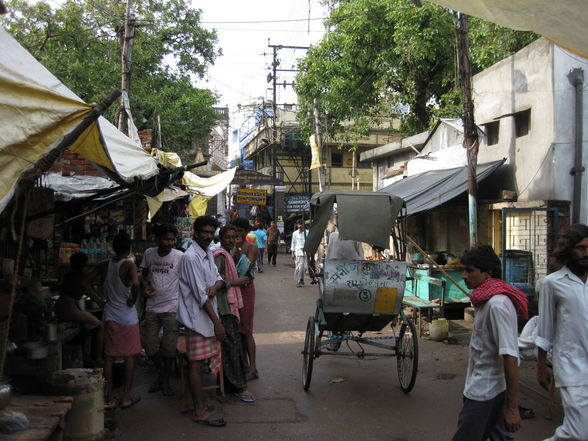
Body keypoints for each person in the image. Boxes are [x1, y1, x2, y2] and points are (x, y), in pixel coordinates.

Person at [451, 245, 527, 441]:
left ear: (488, 273)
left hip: (486, 392)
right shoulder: (484, 300)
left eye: (470, 270)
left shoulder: (497, 304)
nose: (465, 276)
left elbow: (510, 355)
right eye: (464, 270)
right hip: (483, 386)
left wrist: (512, 408)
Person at [536, 224, 588, 441]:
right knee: (579, 433)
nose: (586, 253)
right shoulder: (553, 283)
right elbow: (545, 328)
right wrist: (541, 365)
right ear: (568, 250)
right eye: (580, 248)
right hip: (571, 366)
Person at [176, 216, 227, 427]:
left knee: (195, 363)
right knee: (195, 364)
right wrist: (217, 323)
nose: (208, 236)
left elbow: (219, 279)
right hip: (197, 319)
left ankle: (188, 402)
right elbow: (200, 295)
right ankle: (199, 410)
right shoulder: (190, 258)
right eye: (204, 232)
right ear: (195, 233)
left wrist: (215, 286)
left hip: (207, 317)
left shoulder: (207, 253)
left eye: (210, 232)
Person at [212, 225, 255, 402]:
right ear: (221, 238)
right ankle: (238, 387)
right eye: (228, 237)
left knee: (231, 347)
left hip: (227, 307)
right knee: (231, 348)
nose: (231, 240)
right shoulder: (220, 256)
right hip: (224, 307)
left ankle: (229, 384)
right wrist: (234, 282)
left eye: (234, 237)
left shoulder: (228, 254)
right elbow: (216, 280)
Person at [140, 224, 183, 397]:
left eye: (172, 239)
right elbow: (143, 274)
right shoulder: (149, 254)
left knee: (169, 347)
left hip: (172, 306)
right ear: (158, 239)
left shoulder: (180, 256)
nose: (170, 243)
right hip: (152, 306)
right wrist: (145, 286)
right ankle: (161, 373)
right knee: (149, 344)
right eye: (166, 239)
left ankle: (164, 380)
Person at [102, 232, 142, 410]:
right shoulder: (129, 265)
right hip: (127, 316)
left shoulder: (106, 264)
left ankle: (108, 397)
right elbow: (136, 285)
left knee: (109, 357)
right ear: (129, 248)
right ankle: (126, 397)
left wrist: (97, 299)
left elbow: (86, 282)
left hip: (110, 314)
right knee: (130, 356)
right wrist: (133, 300)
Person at [55, 251, 105, 366]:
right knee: (101, 326)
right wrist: (100, 302)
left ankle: (86, 356)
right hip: (69, 309)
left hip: (60, 307)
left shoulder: (68, 275)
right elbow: (89, 291)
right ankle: (98, 359)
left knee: (87, 325)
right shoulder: (82, 276)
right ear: (85, 264)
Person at [232, 217, 259, 381]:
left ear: (246, 231)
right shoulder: (230, 246)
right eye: (235, 231)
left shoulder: (252, 247)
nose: (237, 234)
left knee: (246, 330)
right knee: (237, 330)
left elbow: (245, 268)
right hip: (233, 289)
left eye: (240, 231)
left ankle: (253, 367)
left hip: (245, 289)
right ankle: (243, 365)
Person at [290, 221, 306, 287]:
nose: (300, 226)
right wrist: (292, 253)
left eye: (301, 224)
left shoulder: (306, 232)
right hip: (297, 253)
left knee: (302, 267)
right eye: (298, 225)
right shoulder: (295, 233)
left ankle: (299, 280)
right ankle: (300, 280)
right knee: (299, 267)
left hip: (305, 253)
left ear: (303, 225)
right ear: (297, 225)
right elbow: (293, 243)